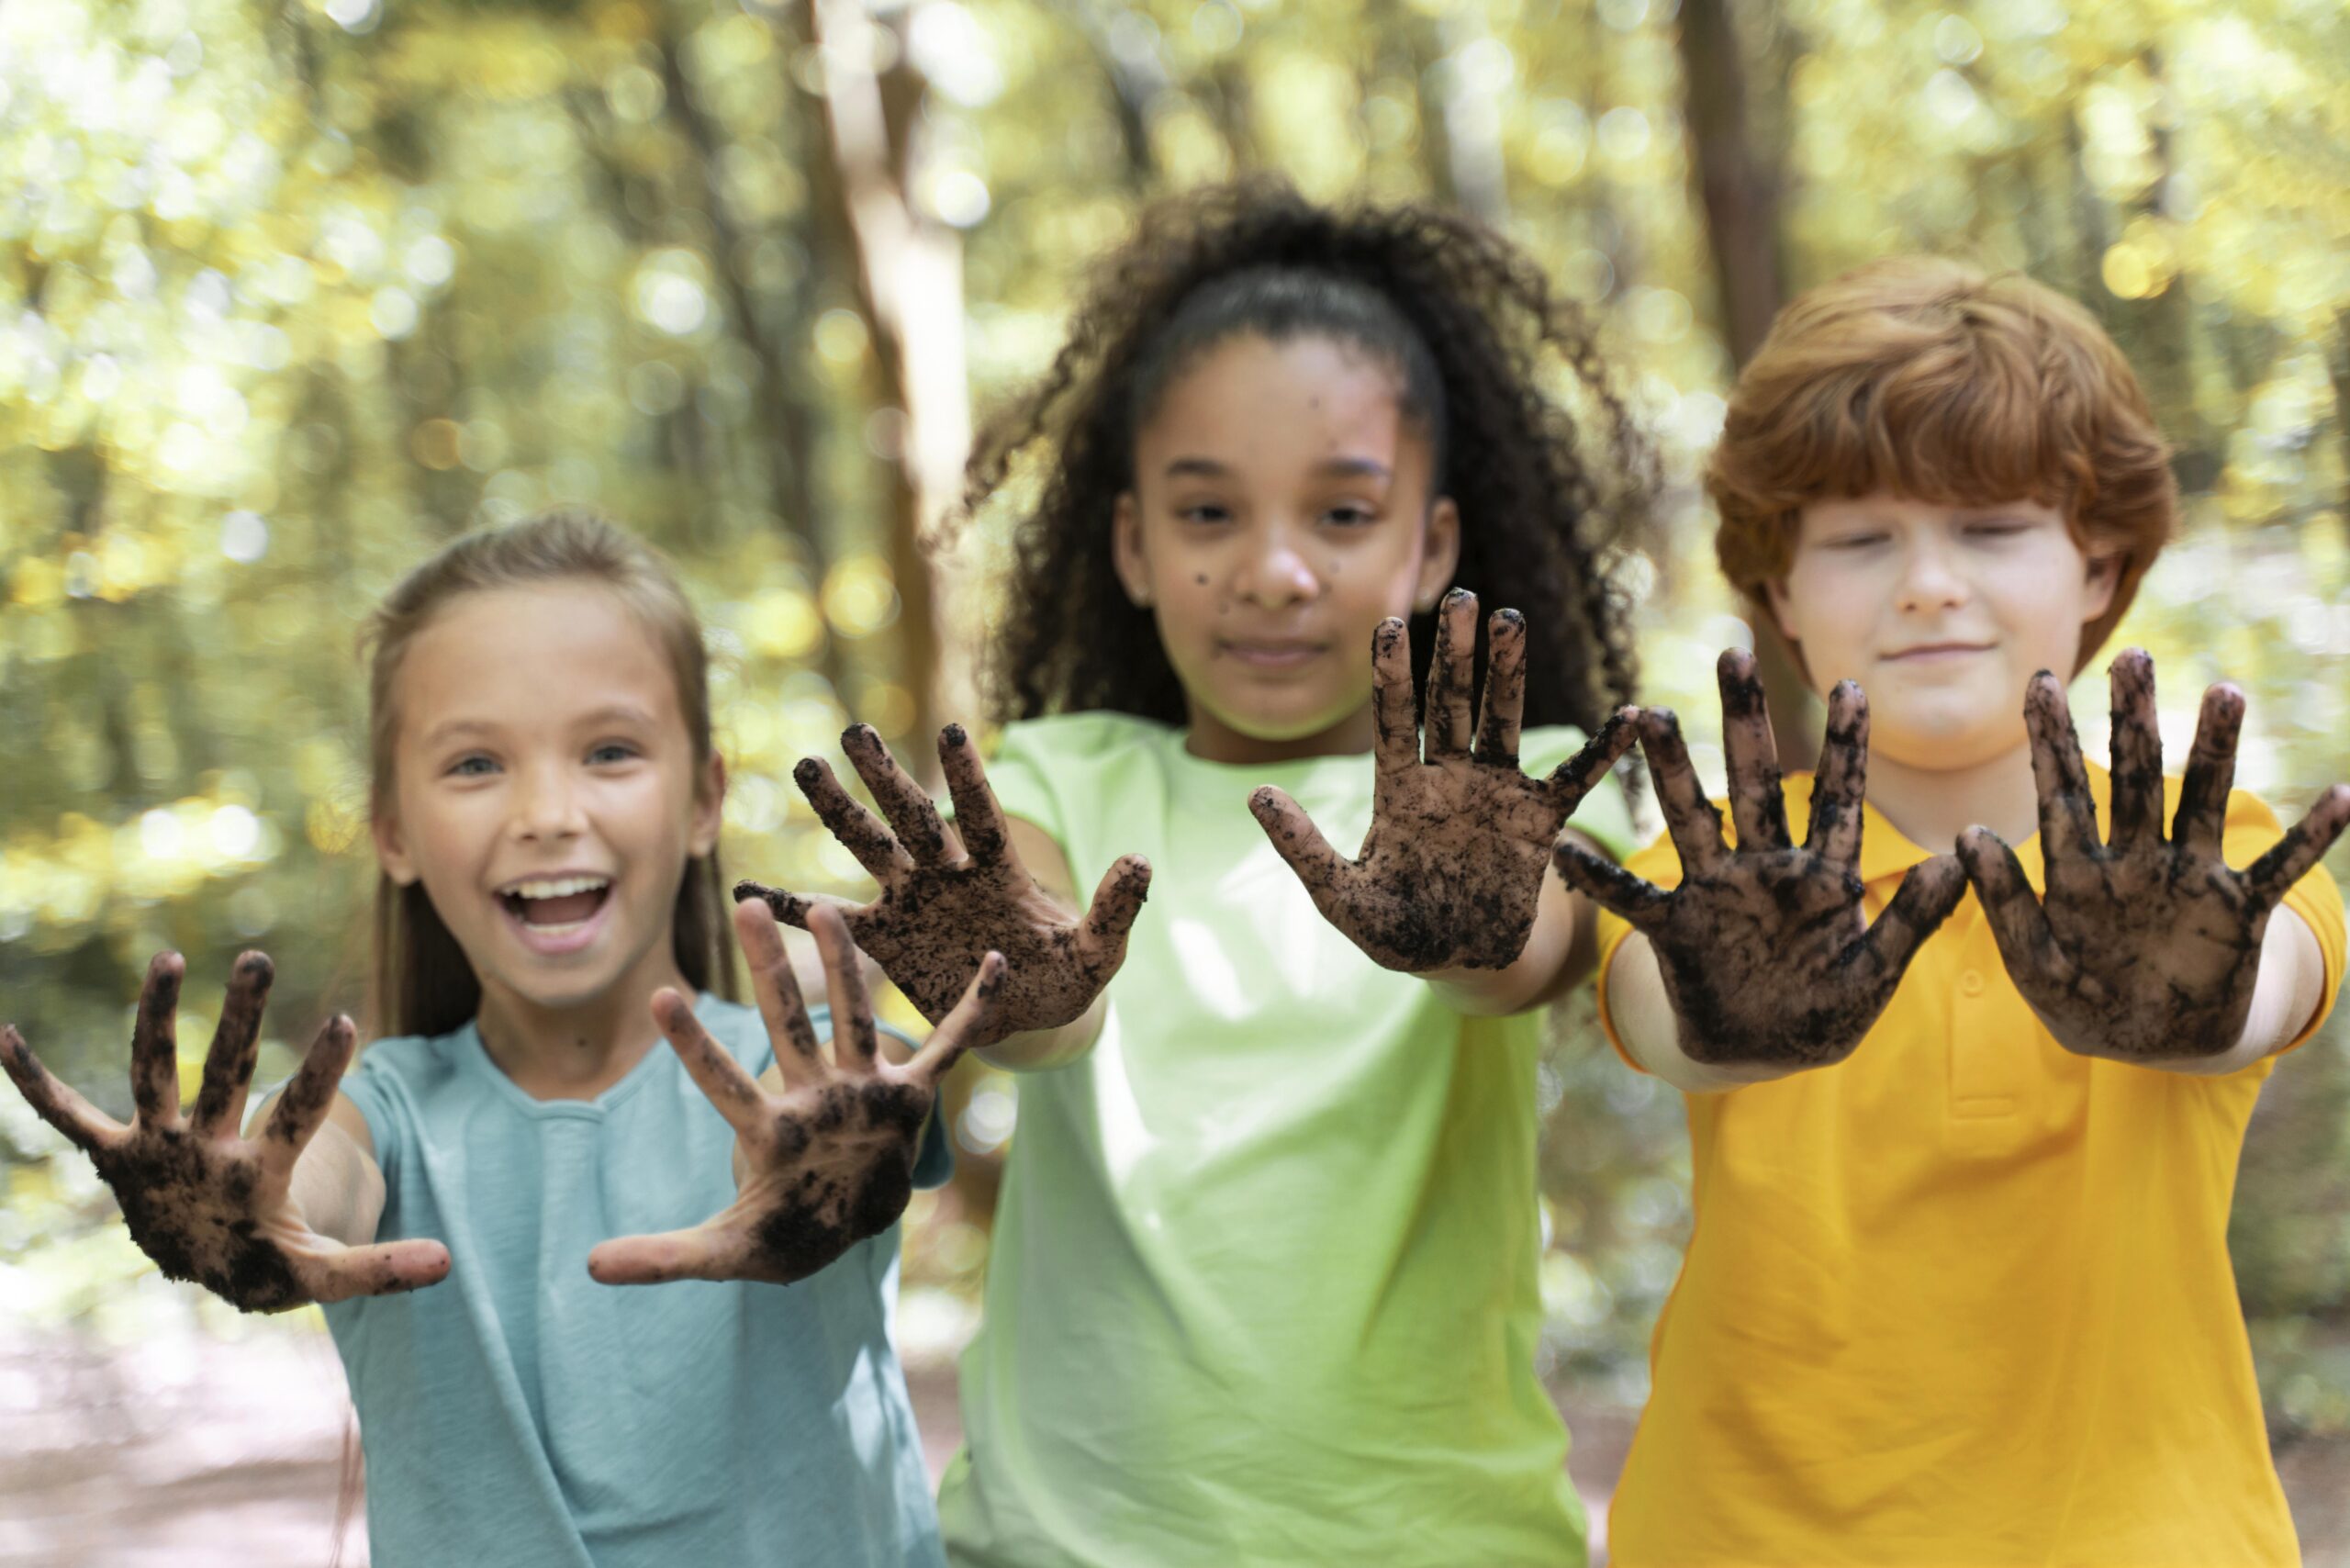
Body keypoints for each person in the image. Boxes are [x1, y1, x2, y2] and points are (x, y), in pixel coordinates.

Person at [740, 181, 1648, 1567]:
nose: (1273, 569)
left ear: (1434, 546)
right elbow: (1051, 996)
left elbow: (1525, 961)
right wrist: (1017, 979)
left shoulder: (1528, 789)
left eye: (1343, 516)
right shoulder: (1054, 780)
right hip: (1069, 1544)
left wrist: (1467, 926)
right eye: (1209, 513)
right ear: (1134, 547)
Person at [0, 510, 1002, 1567]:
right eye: (476, 763)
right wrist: (253, 1203)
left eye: (609, 751)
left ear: (703, 798)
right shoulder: (381, 1108)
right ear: (392, 828)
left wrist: (902, 1097)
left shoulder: (801, 1089)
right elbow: (314, 1176)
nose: (546, 811)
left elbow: (883, 1103)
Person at [1556, 258, 2350, 1565]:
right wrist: (1730, 1004)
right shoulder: (1731, 878)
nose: (1927, 584)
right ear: (1785, 599)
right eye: (1863, 541)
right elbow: (1661, 1010)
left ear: (2098, 567)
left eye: (1989, 530)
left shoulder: (2217, 869)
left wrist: (2186, 994)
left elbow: (2257, 993)